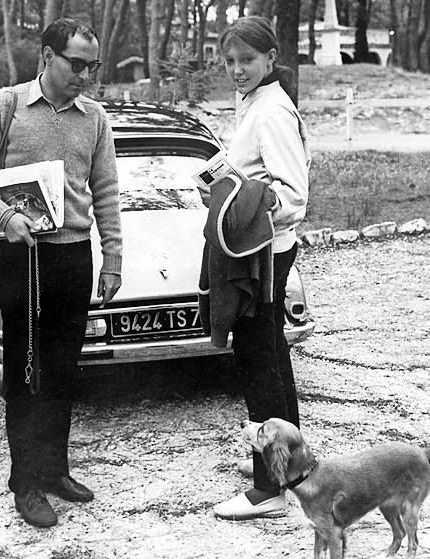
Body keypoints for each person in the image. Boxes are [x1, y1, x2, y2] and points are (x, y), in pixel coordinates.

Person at [0, 18, 122, 528]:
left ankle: (55, 470)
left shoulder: (94, 117)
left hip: (73, 257)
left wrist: (113, 259)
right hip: (24, 257)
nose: (85, 76)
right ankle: (26, 482)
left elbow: (106, 192)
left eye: (92, 67)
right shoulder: (5, 105)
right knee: (24, 369)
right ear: (47, 56)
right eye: (76, 64)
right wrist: (3, 215)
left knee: (62, 370)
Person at [198, 16, 310, 520]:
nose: (237, 69)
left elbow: (293, 195)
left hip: (264, 253)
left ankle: (270, 489)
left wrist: (236, 204)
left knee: (258, 359)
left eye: (247, 60)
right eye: (230, 61)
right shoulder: (253, 101)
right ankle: (288, 464)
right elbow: (253, 172)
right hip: (254, 250)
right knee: (270, 352)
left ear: (271, 58)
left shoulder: (272, 111)